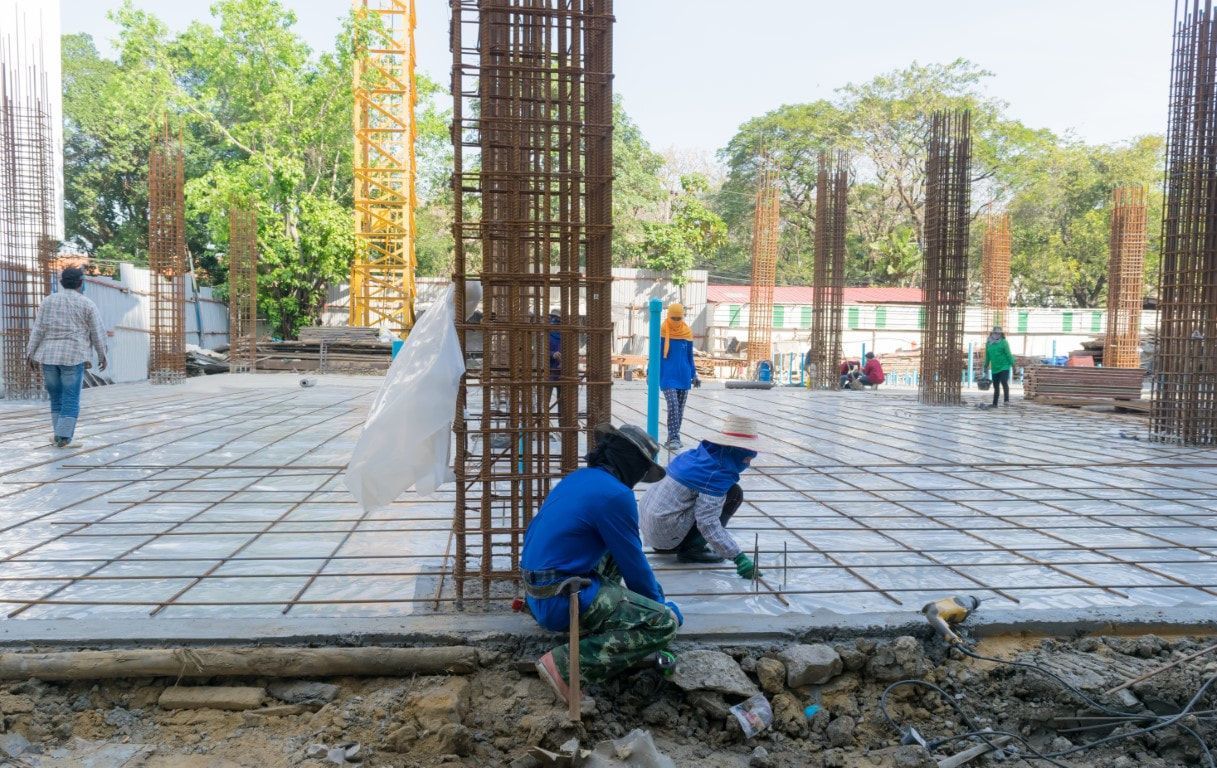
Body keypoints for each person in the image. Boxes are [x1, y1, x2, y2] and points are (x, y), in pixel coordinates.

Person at [521, 423, 681, 706]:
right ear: (632, 465)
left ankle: (599, 620)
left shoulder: (579, 478)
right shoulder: (616, 495)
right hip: (561, 600)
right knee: (662, 623)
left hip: (538, 594)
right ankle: (564, 666)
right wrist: (659, 609)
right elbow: (635, 569)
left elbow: (626, 557)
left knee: (614, 549)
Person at [639, 414, 761, 580]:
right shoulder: (715, 474)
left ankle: (679, 544)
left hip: (652, 530)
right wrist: (738, 558)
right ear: (735, 450)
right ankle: (692, 550)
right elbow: (707, 521)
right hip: (666, 534)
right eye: (747, 458)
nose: (748, 463)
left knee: (722, 494)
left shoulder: (696, 456)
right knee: (733, 494)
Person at [25, 267, 107, 448]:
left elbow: (38, 329)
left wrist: (30, 354)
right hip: (73, 356)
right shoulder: (87, 304)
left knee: (56, 397)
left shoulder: (47, 302)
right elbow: (97, 333)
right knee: (71, 397)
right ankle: (64, 438)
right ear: (80, 282)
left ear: (62, 282)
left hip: (49, 356)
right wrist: (102, 355)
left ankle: (59, 436)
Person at [659, 302, 699, 451]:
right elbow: (655, 354)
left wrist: (694, 374)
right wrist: (651, 371)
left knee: (680, 409)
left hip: (684, 375)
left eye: (679, 318)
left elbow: (690, 357)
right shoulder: (662, 332)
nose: (676, 321)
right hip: (667, 376)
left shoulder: (687, 333)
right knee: (673, 405)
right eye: (673, 318)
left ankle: (672, 436)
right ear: (668, 316)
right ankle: (675, 437)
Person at [984, 326, 1015, 407]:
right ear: (992, 333)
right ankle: (995, 404)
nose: (997, 335)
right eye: (995, 333)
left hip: (1004, 366)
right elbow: (987, 356)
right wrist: (986, 365)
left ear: (1001, 334)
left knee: (1004, 381)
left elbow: (1008, 354)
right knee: (996, 386)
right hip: (995, 368)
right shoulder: (988, 343)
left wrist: (1013, 365)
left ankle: (1006, 400)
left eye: (999, 333)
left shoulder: (1004, 342)